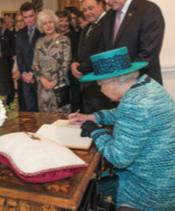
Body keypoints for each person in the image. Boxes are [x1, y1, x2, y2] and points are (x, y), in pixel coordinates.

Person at [69, 47, 175, 211]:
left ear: (114, 82)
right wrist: (93, 117)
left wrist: (96, 131)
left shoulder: (134, 104)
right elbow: (123, 114)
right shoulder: (147, 86)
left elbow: (119, 157)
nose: (100, 89)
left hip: (147, 193)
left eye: (100, 83)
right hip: (165, 180)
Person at [94, 0, 165, 85]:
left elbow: (147, 56)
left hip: (143, 88)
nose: (106, 0)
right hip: (116, 90)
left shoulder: (148, 10)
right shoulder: (108, 16)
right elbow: (103, 49)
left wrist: (120, 79)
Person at [71, 0, 111, 114]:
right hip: (86, 84)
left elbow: (102, 52)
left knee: (103, 122)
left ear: (100, 5)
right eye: (84, 10)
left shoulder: (108, 24)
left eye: (90, 8)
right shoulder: (87, 27)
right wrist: (73, 63)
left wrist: (80, 67)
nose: (87, 13)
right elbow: (80, 50)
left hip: (100, 85)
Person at [32, 10, 71, 114]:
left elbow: (65, 64)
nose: (48, 25)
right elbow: (35, 65)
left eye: (50, 22)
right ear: (41, 26)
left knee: (62, 120)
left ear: (55, 22)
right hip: (43, 88)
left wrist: (53, 82)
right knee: (45, 120)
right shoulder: (39, 42)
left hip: (60, 87)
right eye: (44, 23)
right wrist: (43, 80)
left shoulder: (64, 40)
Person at [16, 2, 44, 112]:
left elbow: (43, 56)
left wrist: (32, 73)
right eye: (25, 17)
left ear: (36, 14)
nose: (29, 20)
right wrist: (24, 73)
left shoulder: (43, 31)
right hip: (26, 79)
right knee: (30, 110)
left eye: (31, 16)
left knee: (42, 110)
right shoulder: (20, 34)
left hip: (40, 78)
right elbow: (19, 55)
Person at [57, 10, 81, 112]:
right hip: (56, 77)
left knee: (72, 105)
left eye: (66, 21)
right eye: (61, 20)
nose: (64, 23)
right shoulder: (53, 36)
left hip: (71, 76)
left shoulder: (75, 35)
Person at [12, 14, 26, 111]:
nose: (20, 23)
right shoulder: (16, 35)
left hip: (28, 71)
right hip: (18, 67)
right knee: (21, 98)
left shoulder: (29, 34)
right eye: (18, 21)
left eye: (22, 20)